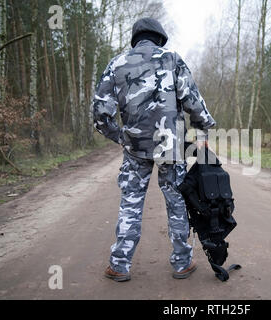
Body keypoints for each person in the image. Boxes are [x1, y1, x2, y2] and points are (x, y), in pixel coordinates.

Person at [92, 17, 216, 282]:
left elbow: (101, 114)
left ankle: (119, 265)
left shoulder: (116, 64)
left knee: (131, 203)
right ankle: (182, 263)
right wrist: (203, 126)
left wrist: (122, 137)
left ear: (136, 39)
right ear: (160, 38)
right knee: (177, 202)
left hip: (135, 147)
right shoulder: (172, 59)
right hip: (170, 147)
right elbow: (192, 99)